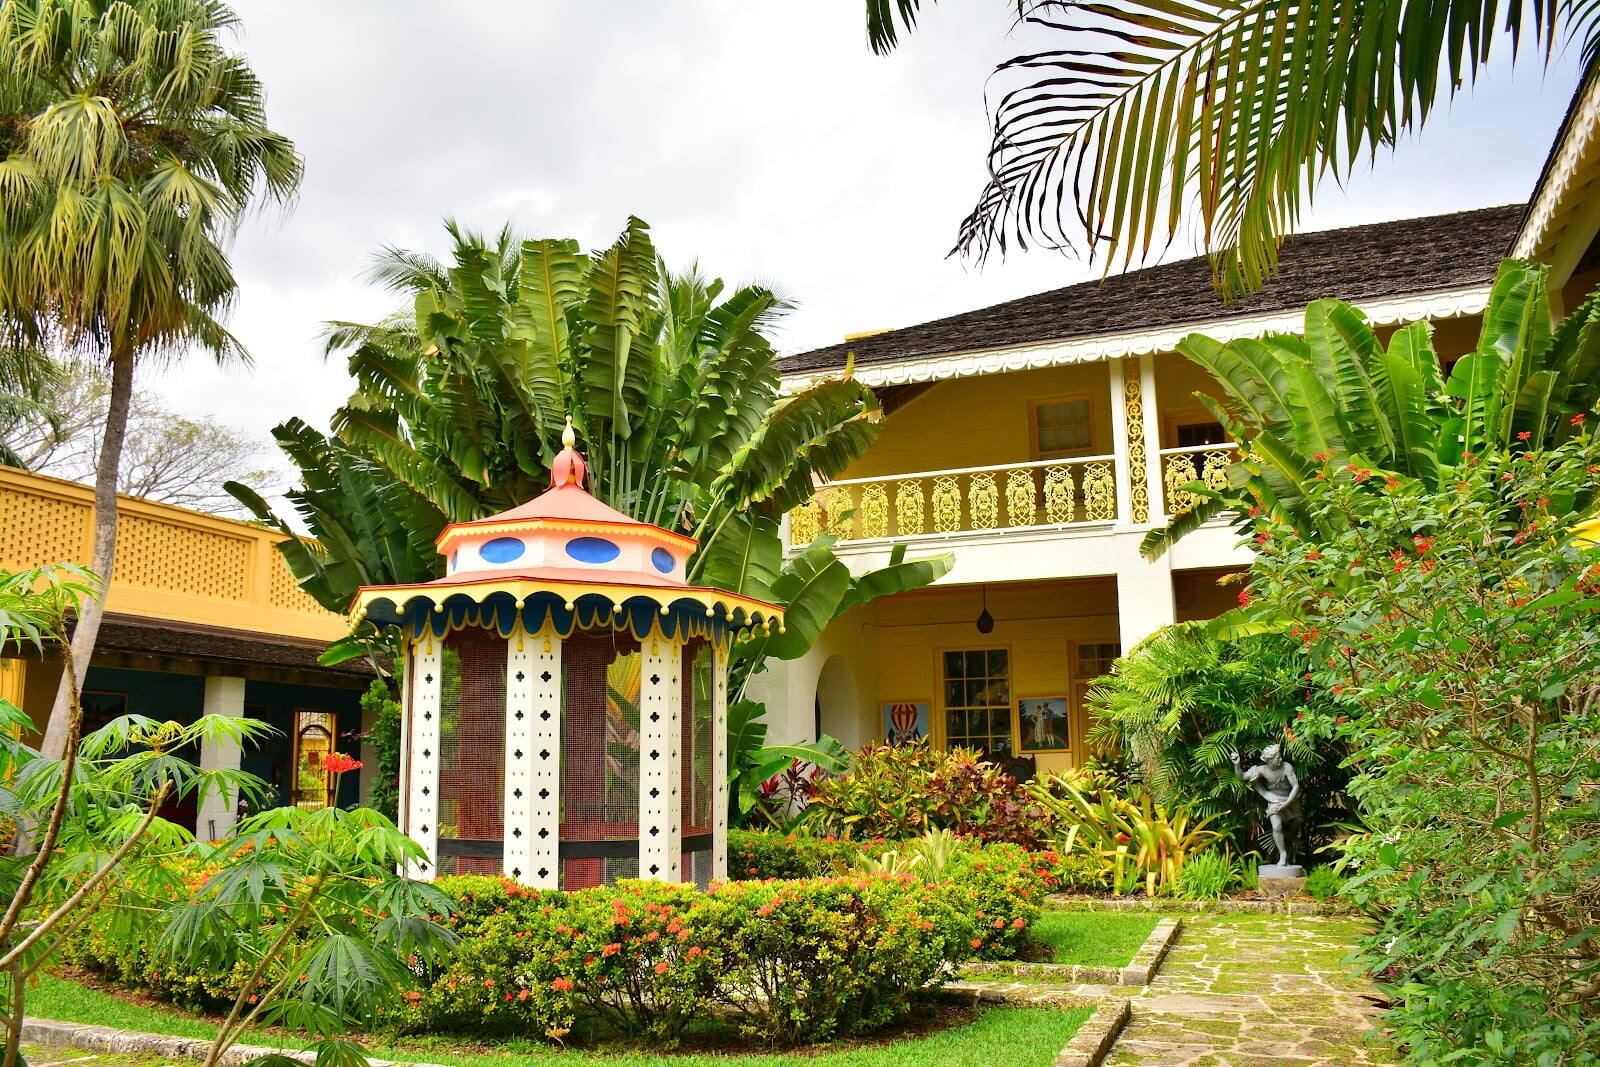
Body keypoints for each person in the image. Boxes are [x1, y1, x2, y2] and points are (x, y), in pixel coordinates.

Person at [1230, 744, 1302, 867]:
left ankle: (1291, 839)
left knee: (1298, 821)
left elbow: (1295, 786)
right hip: (1274, 800)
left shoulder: (1287, 767)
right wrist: (1237, 764)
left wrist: (1286, 804)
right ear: (1269, 760)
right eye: (1277, 758)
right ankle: (1283, 854)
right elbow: (1241, 776)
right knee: (1276, 826)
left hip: (1291, 800)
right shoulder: (1261, 770)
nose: (1280, 759)